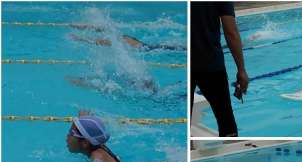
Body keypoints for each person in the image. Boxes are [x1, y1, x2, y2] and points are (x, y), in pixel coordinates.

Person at [191, 2, 249, 137]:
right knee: (225, 120)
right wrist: (241, 69)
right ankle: (231, 147)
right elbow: (231, 32)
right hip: (211, 64)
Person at [66, 113, 132, 162]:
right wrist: (83, 119)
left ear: (85, 143)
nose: (67, 136)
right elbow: (92, 131)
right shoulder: (97, 143)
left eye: (71, 133)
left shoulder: (96, 155)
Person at [71, 33, 185, 51]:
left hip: (147, 48)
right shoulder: (121, 38)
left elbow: (99, 42)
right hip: (150, 47)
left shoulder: (119, 40)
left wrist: (81, 39)